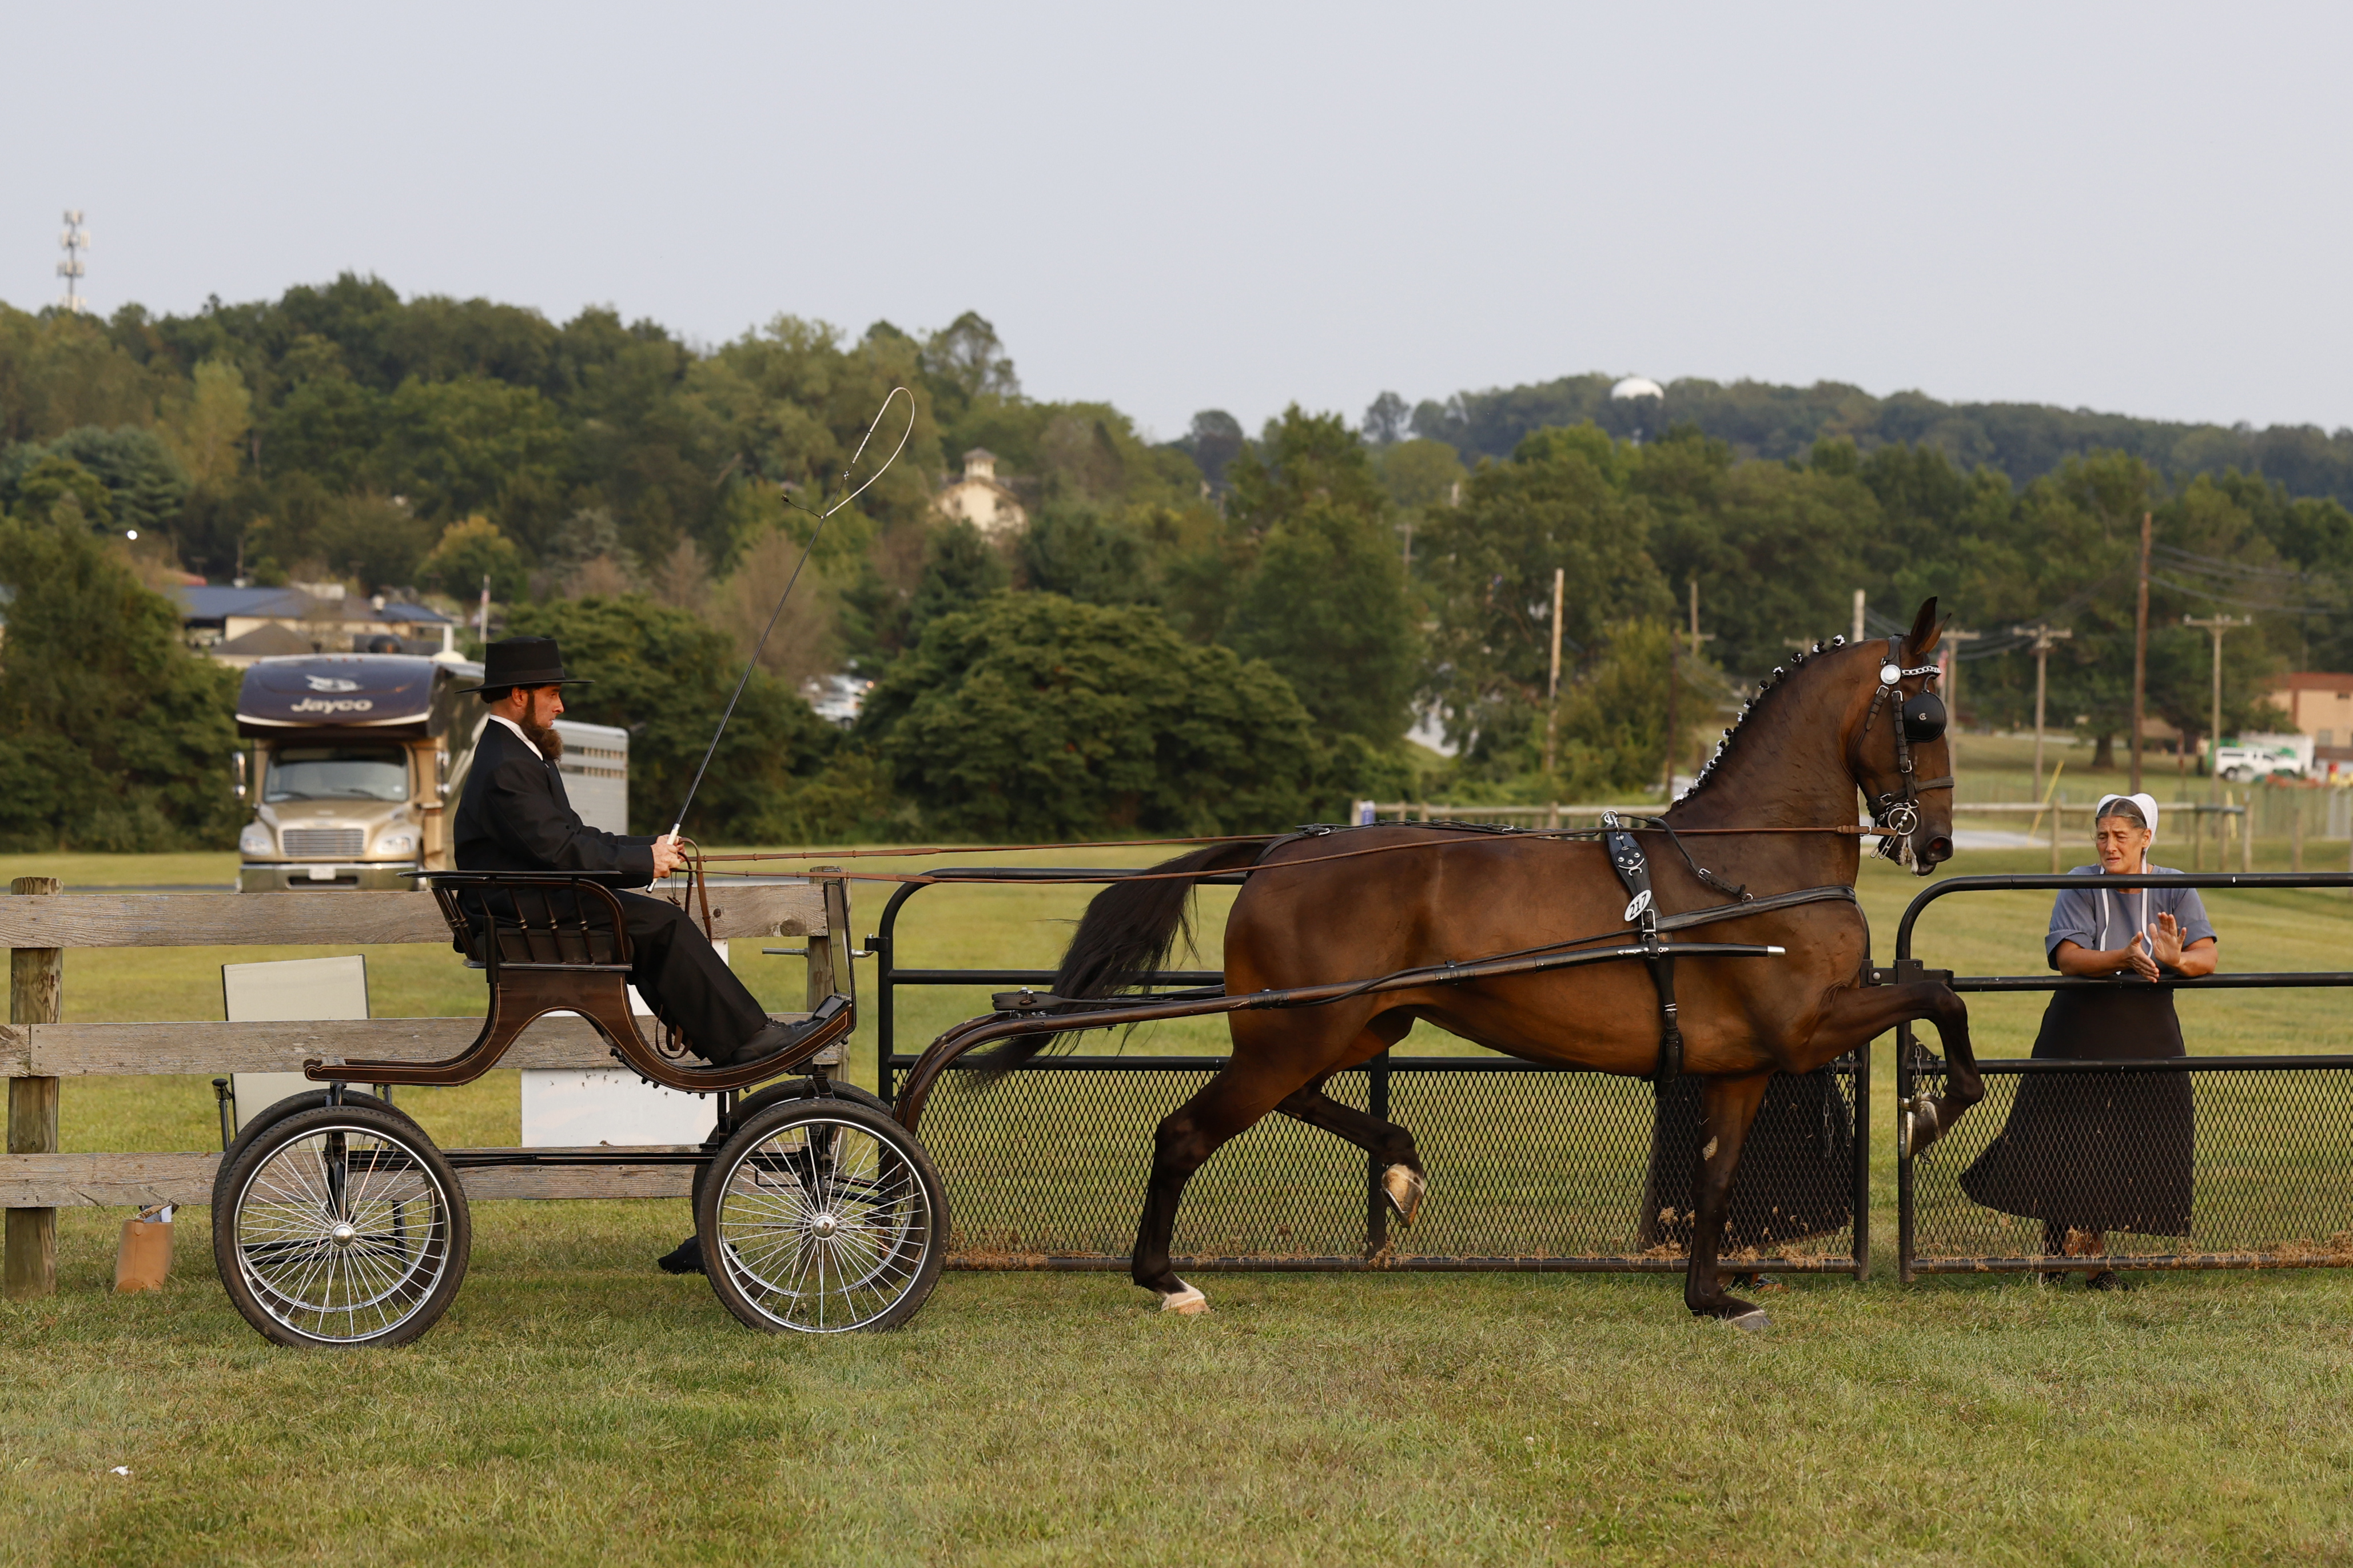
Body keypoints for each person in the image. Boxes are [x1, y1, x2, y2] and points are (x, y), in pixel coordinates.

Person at [453, 635, 802, 1070]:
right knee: (662, 922)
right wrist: (642, 862)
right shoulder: (506, 763)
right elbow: (561, 849)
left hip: (535, 902)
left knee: (652, 923)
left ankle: (735, 1040)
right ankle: (747, 1038)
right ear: (520, 695)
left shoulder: (514, 753)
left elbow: (572, 834)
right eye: (554, 694)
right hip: (524, 911)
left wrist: (648, 849)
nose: (561, 707)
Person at [1958, 792, 2216, 1290]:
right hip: (2077, 1026)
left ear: (2146, 838)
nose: (2109, 845)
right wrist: (2123, 957)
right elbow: (2069, 957)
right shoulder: (2078, 882)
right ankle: (2063, 1258)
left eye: (2121, 836)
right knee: (2065, 1139)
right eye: (2102, 835)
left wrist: (2175, 959)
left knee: (2119, 1142)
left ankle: (2087, 1257)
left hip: (2146, 1031)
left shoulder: (2173, 887)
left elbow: (2205, 955)